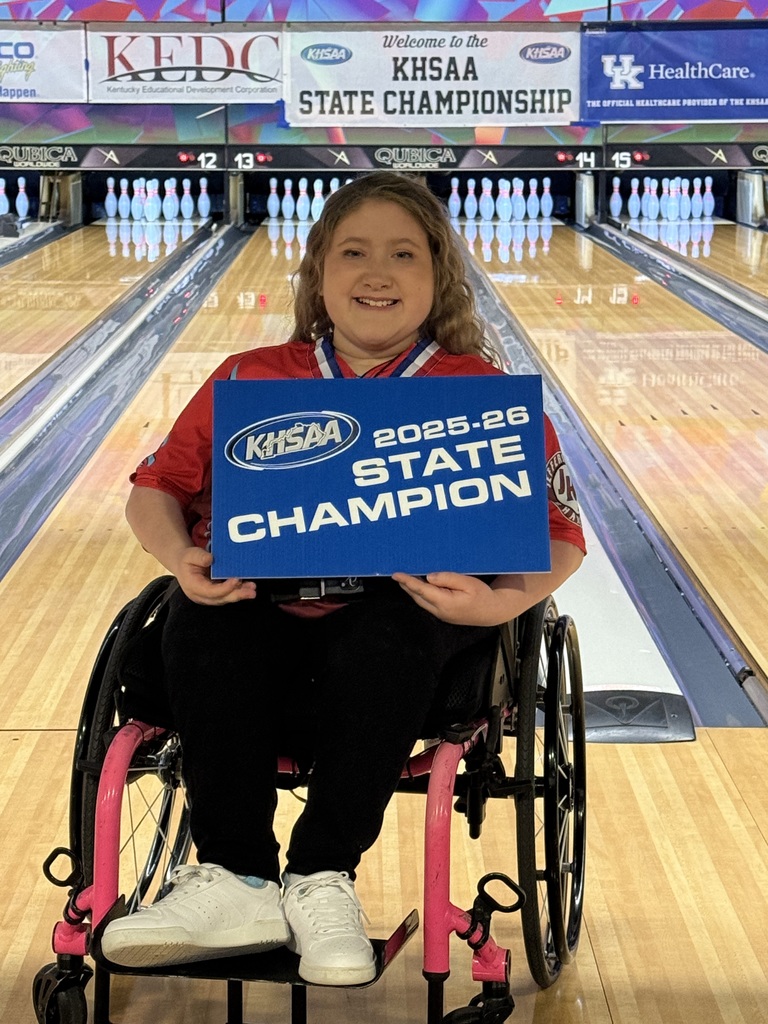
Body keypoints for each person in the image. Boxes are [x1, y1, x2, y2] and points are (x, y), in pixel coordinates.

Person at [101, 171, 586, 985]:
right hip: (259, 607)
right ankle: (237, 877)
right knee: (202, 621)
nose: (378, 272)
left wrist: (502, 599)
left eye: (404, 254)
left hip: (403, 620)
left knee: (386, 638)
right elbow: (156, 487)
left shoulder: (482, 394)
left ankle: (323, 877)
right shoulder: (250, 376)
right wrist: (177, 556)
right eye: (353, 251)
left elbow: (561, 532)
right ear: (318, 272)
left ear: (439, 279)